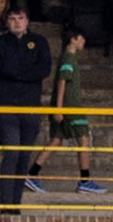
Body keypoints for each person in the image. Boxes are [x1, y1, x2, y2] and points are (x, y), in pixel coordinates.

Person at [26, 30, 106, 192]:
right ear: (73, 39)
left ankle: (32, 174)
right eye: (81, 38)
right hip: (70, 107)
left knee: (56, 139)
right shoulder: (69, 57)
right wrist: (59, 108)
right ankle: (85, 180)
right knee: (83, 139)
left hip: (65, 106)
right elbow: (62, 82)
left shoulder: (68, 57)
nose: (83, 41)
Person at [0, 7, 52, 208]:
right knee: (12, 151)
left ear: (27, 21)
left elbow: (44, 69)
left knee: (24, 156)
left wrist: (20, 73)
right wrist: (27, 71)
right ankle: (5, 204)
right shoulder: (0, 42)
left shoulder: (40, 41)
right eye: (12, 19)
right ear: (6, 22)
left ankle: (16, 205)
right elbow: (5, 67)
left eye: (21, 18)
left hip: (30, 106)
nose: (17, 22)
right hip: (6, 105)